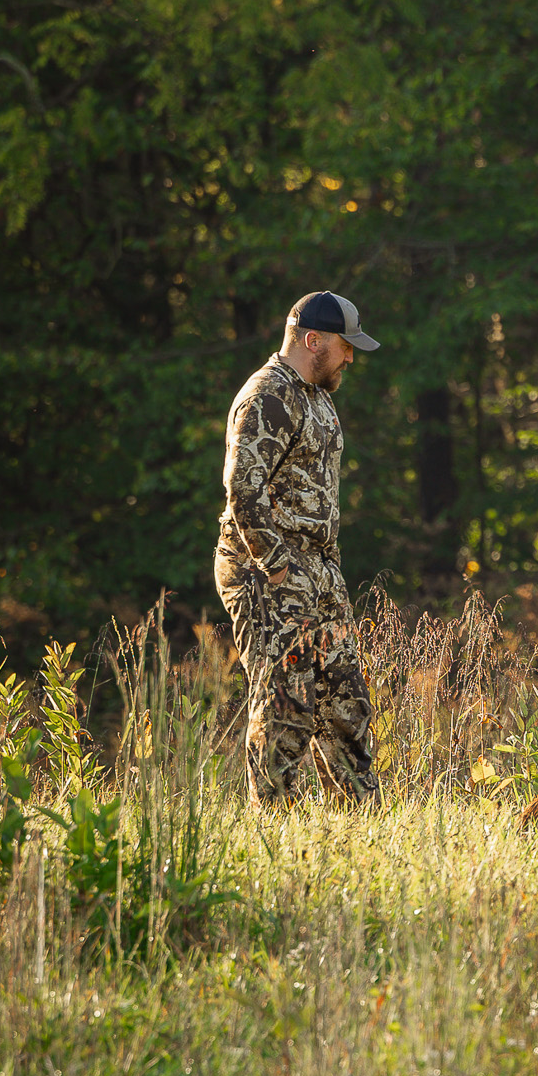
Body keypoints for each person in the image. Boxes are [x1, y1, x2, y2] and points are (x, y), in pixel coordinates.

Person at [214, 290, 382, 806]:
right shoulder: (268, 396)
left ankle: (361, 826)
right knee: (286, 705)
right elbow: (242, 487)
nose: (351, 357)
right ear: (313, 340)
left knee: (346, 703)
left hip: (318, 571)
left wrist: (321, 572)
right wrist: (278, 568)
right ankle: (275, 832)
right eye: (344, 346)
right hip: (267, 570)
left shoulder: (317, 395)